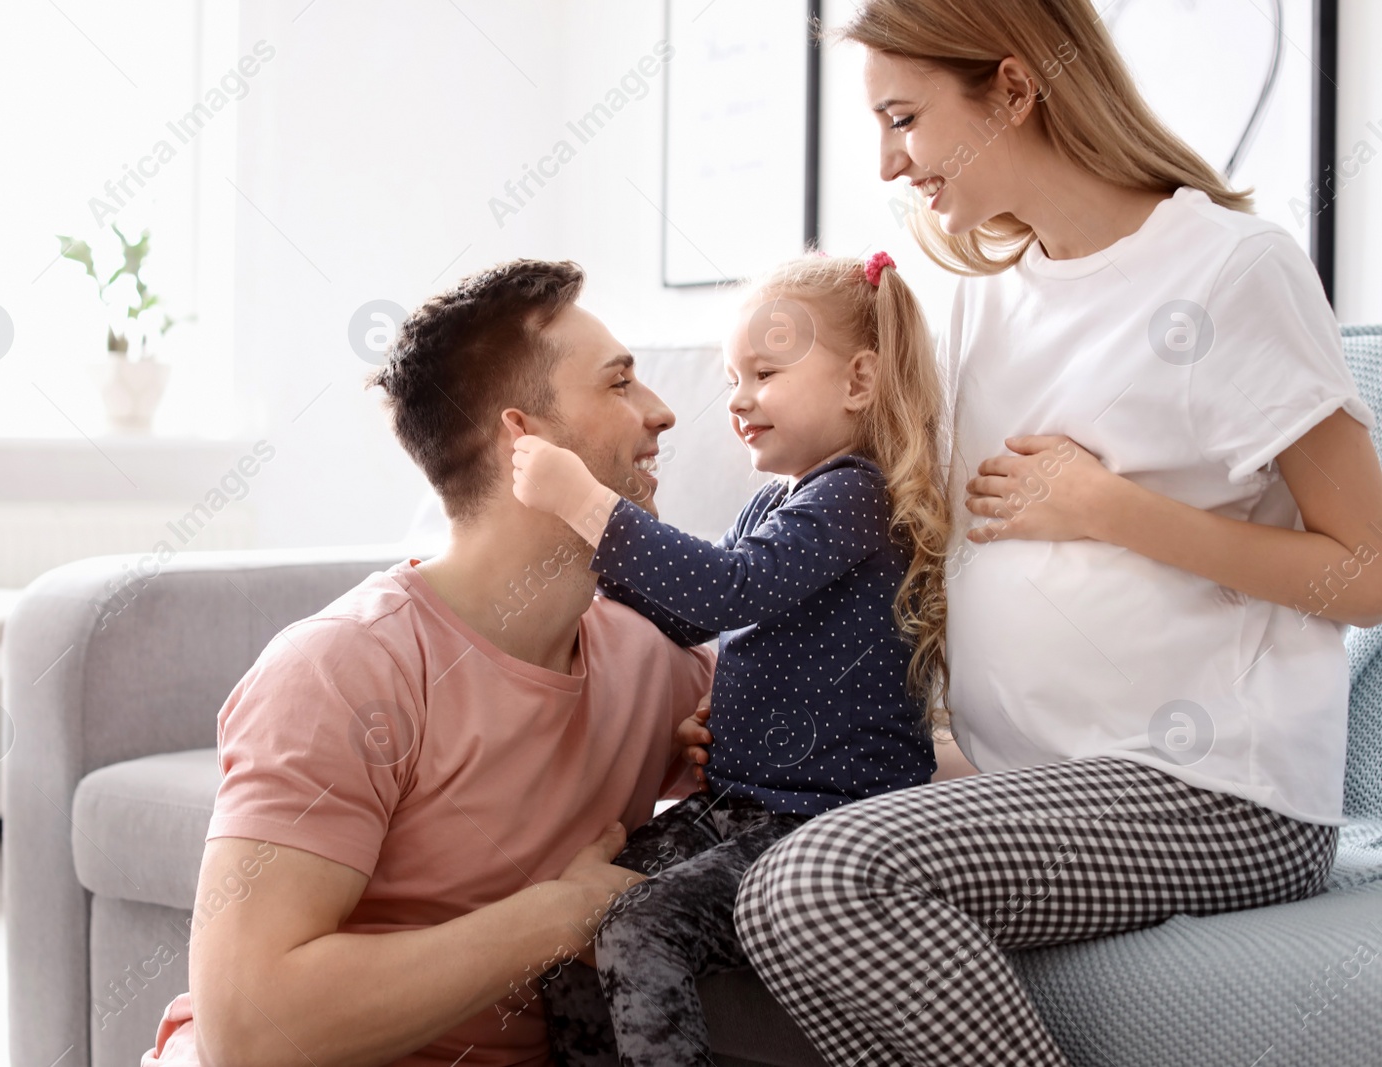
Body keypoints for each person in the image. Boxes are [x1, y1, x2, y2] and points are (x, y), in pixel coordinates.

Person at [729, 3, 1382, 1065]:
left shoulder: (1230, 269)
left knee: (822, 879)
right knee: (765, 877)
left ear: (1015, 90)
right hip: (1027, 777)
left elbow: (1366, 572)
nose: (890, 163)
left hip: (1215, 789)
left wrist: (1111, 508)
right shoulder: (992, 295)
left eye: (904, 118)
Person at [140, 259, 718, 1067]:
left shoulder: (650, 658)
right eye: (620, 384)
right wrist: (556, 916)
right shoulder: (344, 668)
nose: (662, 412)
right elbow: (247, 1028)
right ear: (527, 439)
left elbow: (867, 748)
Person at [509, 251, 950, 1066]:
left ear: (858, 381)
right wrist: (583, 550)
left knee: (640, 922)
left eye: (766, 373)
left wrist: (585, 500)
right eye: (732, 376)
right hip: (745, 805)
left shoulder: (856, 496)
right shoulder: (775, 499)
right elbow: (689, 615)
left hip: (818, 822)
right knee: (566, 917)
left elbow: (723, 591)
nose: (738, 400)